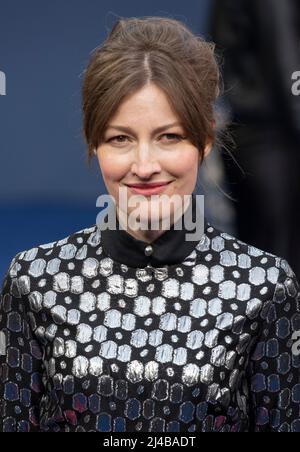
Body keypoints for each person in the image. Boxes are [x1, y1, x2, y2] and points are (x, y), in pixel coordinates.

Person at [0, 16, 299, 433]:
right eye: (120, 138)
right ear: (93, 143)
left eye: (169, 137)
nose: (144, 167)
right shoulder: (35, 281)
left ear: (205, 138)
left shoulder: (264, 285)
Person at [211, 0, 300, 280]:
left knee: (264, 263)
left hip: (257, 136)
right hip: (273, 139)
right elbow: (285, 55)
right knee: (279, 268)